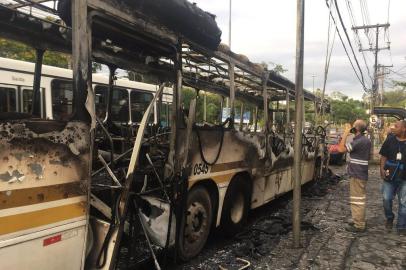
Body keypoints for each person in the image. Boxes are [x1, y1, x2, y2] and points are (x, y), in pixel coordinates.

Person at [337, 120, 371, 232]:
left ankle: (359, 225)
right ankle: (357, 219)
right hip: (359, 173)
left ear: (355, 129)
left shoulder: (359, 141)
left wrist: (346, 133)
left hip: (357, 174)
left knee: (357, 200)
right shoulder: (363, 140)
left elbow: (340, 149)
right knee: (357, 199)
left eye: (353, 126)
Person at [379, 120, 406, 235]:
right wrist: (381, 169)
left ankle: (401, 226)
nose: (394, 128)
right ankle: (389, 217)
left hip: (404, 178)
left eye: (397, 126)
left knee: (404, 203)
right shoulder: (390, 140)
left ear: (404, 129)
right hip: (390, 176)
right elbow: (383, 156)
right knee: (386, 199)